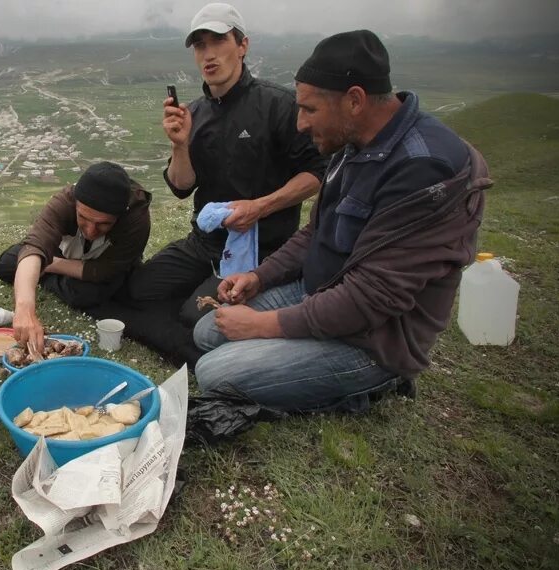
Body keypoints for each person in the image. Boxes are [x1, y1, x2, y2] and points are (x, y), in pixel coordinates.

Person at [193, 30, 491, 413]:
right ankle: (289, 353)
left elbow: (371, 298)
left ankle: (377, 383)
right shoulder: (352, 143)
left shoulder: (425, 170)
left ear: (354, 100)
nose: (300, 123)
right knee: (208, 331)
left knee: (215, 372)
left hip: (374, 338)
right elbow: (316, 232)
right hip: (322, 293)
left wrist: (263, 327)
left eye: (310, 110)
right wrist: (260, 277)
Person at [127, 2, 327, 327]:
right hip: (204, 243)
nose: (209, 54)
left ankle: (219, 311)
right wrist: (180, 145)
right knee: (139, 289)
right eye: (200, 45)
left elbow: (317, 172)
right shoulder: (195, 114)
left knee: (195, 317)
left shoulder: (278, 105)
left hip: (263, 249)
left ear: (242, 45)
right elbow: (181, 186)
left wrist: (259, 207)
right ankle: (201, 306)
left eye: (219, 41)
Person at [0, 161, 151, 353]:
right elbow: (35, 246)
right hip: (64, 254)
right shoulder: (64, 200)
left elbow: (104, 270)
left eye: (103, 224)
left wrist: (50, 264)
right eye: (83, 218)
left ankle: (45, 276)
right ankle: (51, 276)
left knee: (90, 293)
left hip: (101, 264)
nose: (92, 230)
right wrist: (24, 308)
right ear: (75, 204)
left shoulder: (137, 219)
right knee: (6, 264)